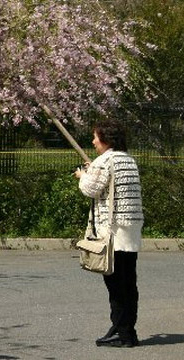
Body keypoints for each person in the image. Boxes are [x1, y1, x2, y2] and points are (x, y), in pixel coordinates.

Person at [74, 119, 144, 348]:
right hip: (130, 230)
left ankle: (121, 334)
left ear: (106, 139)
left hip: (112, 231)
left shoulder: (105, 161)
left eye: (95, 137)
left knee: (115, 286)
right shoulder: (128, 159)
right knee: (129, 284)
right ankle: (127, 331)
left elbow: (90, 189)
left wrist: (82, 175)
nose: (93, 142)